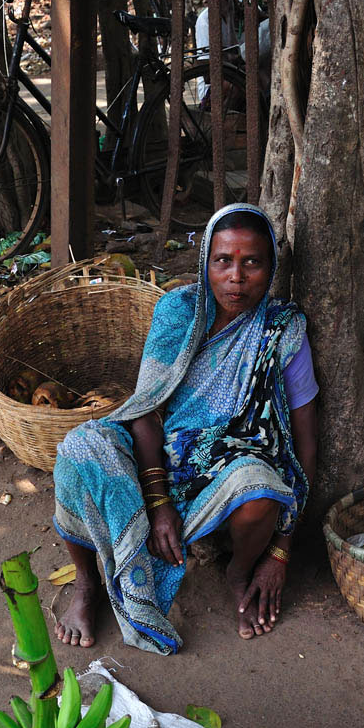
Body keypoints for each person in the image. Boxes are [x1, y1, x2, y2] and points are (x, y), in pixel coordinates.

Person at [52, 203, 318, 655]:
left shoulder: (282, 332)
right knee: (80, 449)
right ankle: (86, 582)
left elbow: (304, 440)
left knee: (261, 490)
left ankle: (239, 571)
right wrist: (157, 502)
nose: (236, 277)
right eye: (223, 261)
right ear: (205, 264)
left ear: (270, 267)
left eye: (251, 262)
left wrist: (280, 553)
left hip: (232, 455)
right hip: (154, 449)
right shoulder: (178, 311)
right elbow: (144, 408)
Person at [194, 0, 271, 102]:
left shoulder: (245, 8)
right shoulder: (206, 20)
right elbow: (211, 74)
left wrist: (257, 15)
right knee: (251, 79)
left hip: (245, 75)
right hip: (218, 88)